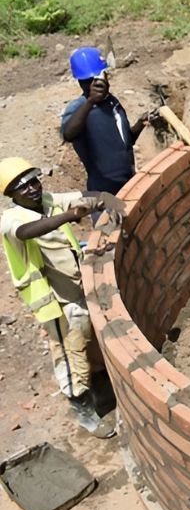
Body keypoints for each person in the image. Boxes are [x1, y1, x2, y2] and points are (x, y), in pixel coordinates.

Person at [0, 157, 117, 438]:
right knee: (69, 352)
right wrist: (67, 216)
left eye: (33, 181)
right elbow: (26, 232)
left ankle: (101, 385)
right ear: (11, 194)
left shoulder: (49, 200)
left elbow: (83, 198)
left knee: (89, 339)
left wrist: (111, 201)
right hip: (54, 301)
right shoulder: (11, 219)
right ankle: (83, 410)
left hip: (76, 290)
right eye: (22, 187)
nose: (31, 189)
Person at [60, 46, 153, 198]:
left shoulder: (112, 102)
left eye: (97, 79)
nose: (94, 84)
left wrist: (141, 124)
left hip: (129, 184)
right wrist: (90, 102)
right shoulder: (79, 108)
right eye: (87, 81)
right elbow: (68, 135)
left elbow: (123, 143)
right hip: (105, 194)